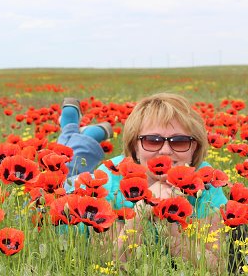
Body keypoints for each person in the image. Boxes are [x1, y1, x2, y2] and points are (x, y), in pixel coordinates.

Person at [57, 93, 228, 271]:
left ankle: (83, 132)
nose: (166, 151)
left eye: (180, 141)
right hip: (72, 192)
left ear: (194, 148)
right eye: (152, 141)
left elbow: (218, 267)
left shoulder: (207, 182)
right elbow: (111, 263)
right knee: (69, 162)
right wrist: (143, 209)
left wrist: (171, 228)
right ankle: (76, 130)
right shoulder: (106, 184)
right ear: (134, 148)